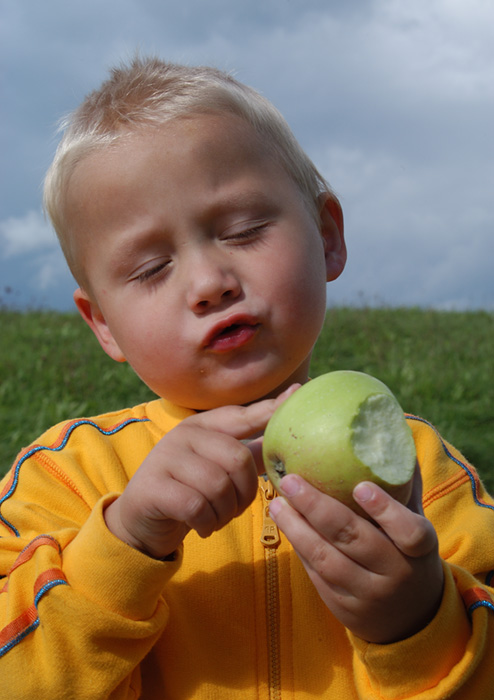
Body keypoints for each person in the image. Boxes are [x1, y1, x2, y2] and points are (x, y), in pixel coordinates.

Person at [1, 55, 493, 700]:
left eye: (245, 229)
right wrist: (124, 544)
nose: (209, 284)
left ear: (329, 236)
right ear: (104, 326)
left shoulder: (424, 475)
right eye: (150, 268)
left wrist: (416, 623)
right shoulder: (66, 475)